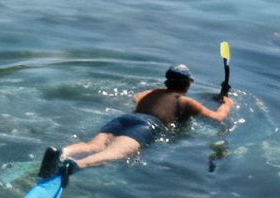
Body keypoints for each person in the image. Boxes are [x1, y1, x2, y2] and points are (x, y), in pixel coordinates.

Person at [39, 64, 235, 182]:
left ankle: (63, 152)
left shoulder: (147, 93)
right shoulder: (184, 101)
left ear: (167, 81)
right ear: (187, 84)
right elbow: (217, 118)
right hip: (147, 126)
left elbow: (137, 98)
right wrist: (226, 102)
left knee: (93, 145)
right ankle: (75, 166)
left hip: (124, 120)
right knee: (114, 153)